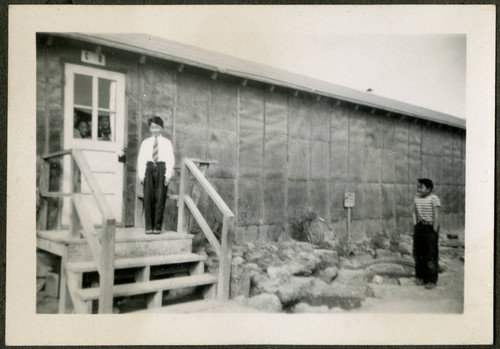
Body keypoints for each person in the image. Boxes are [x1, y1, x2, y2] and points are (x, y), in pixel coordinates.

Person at [137, 116, 175, 234]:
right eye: (153, 127)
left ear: (161, 128)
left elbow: (170, 159)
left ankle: (157, 227)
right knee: (148, 197)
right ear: (150, 128)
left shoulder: (167, 143)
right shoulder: (146, 143)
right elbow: (141, 159)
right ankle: (149, 227)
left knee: (160, 197)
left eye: (157, 127)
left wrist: (168, 175)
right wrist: (142, 176)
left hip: (161, 169)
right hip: (149, 169)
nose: (155, 130)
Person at [412, 178, 441, 290]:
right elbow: (414, 212)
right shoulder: (416, 198)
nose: (419, 189)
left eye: (421, 187)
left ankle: (431, 280)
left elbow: (437, 215)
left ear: (429, 189)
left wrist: (434, 230)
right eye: (418, 186)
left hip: (430, 228)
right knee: (419, 254)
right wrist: (415, 225)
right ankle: (420, 277)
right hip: (420, 227)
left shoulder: (434, 198)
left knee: (430, 255)